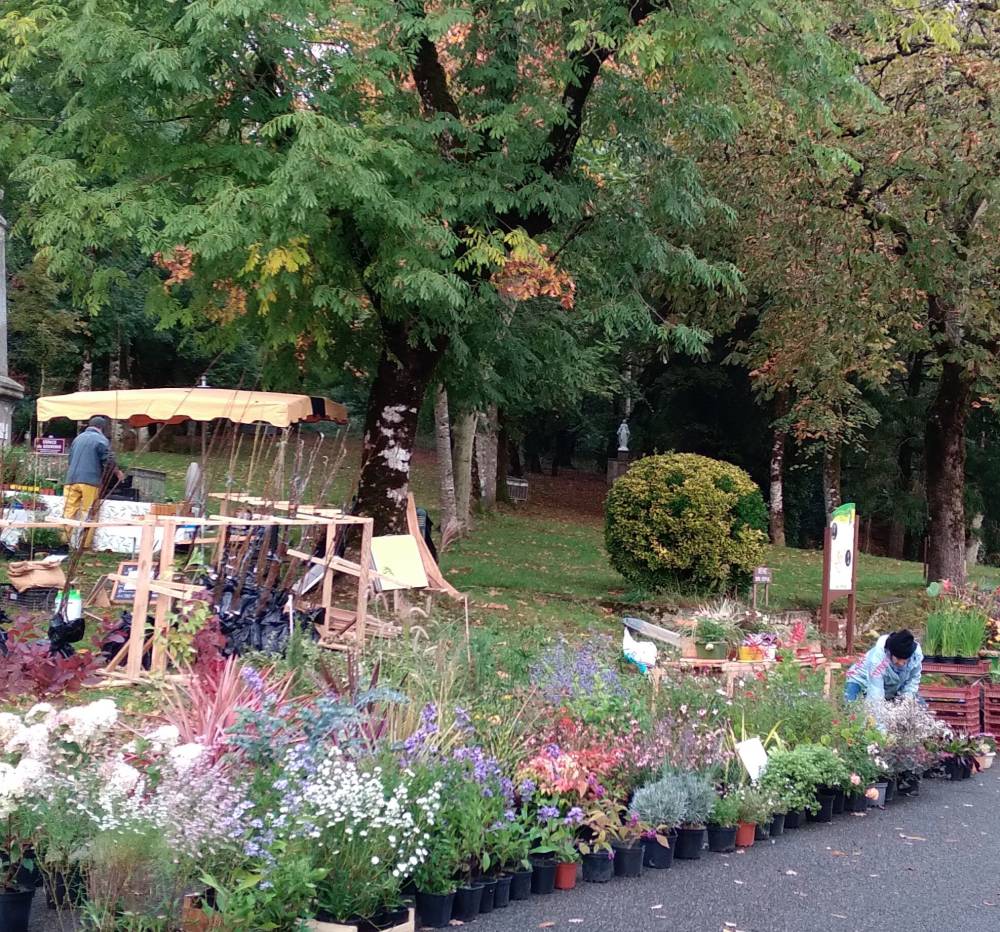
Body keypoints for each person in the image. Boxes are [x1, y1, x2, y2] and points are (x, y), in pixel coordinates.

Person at [63, 416, 121, 549]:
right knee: (89, 513)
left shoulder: (77, 438)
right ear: (102, 428)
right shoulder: (101, 440)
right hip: (90, 481)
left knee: (68, 512)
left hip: (71, 480)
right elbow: (109, 460)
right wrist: (117, 473)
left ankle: (63, 542)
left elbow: (70, 458)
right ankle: (84, 546)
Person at [844, 629, 923, 709]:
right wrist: (879, 719)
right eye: (898, 658)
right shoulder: (878, 660)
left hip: (892, 688)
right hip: (861, 681)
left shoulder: (915, 658)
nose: (900, 663)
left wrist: (906, 702)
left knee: (919, 707)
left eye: (904, 659)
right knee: (850, 710)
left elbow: (913, 681)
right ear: (890, 653)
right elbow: (875, 693)